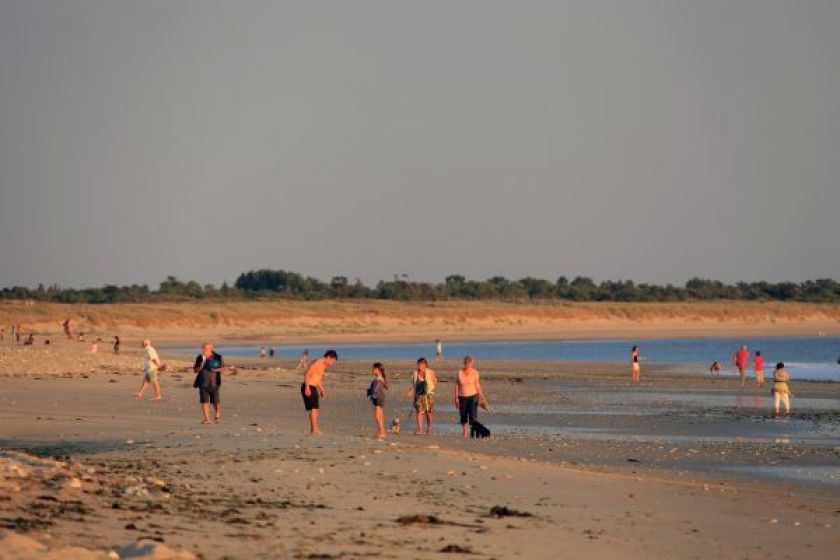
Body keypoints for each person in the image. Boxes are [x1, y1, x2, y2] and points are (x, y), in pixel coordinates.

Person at [301, 350, 338, 435]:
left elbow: (318, 377)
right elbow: (307, 374)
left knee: (315, 409)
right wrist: (307, 387)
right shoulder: (318, 362)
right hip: (309, 386)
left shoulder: (323, 364)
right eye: (332, 361)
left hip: (313, 387)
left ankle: (314, 428)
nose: (332, 363)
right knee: (314, 408)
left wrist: (321, 389)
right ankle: (314, 429)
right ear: (328, 357)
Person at [455, 356, 487, 438]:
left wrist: (482, 397)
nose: (468, 365)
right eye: (466, 363)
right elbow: (457, 385)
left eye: (470, 364)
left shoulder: (475, 372)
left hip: (473, 396)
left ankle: (473, 430)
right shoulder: (459, 372)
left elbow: (477, 385)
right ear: (464, 363)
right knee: (463, 415)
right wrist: (456, 398)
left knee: (473, 416)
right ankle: (464, 432)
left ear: (472, 364)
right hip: (462, 396)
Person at [193, 342, 224, 424]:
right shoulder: (200, 357)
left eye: (205, 348)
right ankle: (207, 419)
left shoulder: (218, 357)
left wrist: (215, 370)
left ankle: (217, 414)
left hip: (215, 382)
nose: (203, 350)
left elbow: (222, 368)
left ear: (211, 348)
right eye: (203, 348)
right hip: (203, 383)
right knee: (204, 401)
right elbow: (195, 370)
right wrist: (201, 366)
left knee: (215, 401)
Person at [408, 357, 438, 435]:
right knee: (419, 411)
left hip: (428, 395)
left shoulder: (430, 372)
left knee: (429, 412)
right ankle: (420, 429)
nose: (419, 366)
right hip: (419, 394)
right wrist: (411, 391)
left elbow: (435, 381)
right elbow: (414, 384)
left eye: (421, 365)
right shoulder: (415, 373)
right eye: (418, 365)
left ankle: (429, 428)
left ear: (425, 365)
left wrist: (430, 388)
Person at [367, 362, 388, 439]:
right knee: (380, 415)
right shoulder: (380, 378)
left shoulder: (379, 379)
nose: (372, 370)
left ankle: (382, 432)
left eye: (373, 369)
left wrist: (372, 395)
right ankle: (382, 431)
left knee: (377, 416)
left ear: (377, 370)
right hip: (380, 398)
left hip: (378, 398)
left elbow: (376, 390)